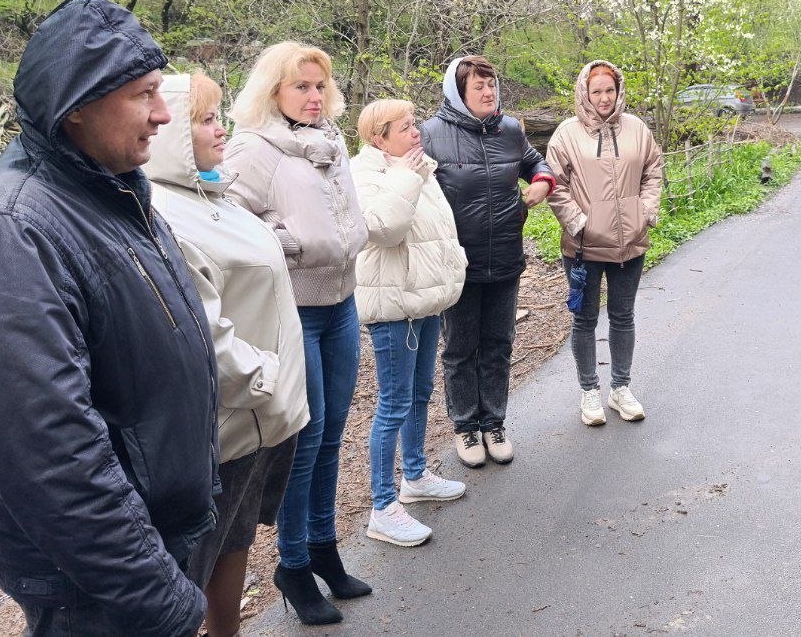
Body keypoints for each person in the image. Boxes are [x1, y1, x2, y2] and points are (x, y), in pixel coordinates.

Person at [0, 0, 217, 636]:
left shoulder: (109, 189)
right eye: (144, 94)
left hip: (152, 543)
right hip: (97, 588)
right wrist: (157, 597)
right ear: (76, 106)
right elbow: (49, 451)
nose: (164, 113)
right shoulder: (9, 228)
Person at [145, 72, 310, 637]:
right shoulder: (163, 214)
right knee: (193, 560)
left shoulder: (214, 196)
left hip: (261, 417)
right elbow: (199, 332)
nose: (222, 130)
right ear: (169, 133)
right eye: (206, 119)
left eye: (219, 116)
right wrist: (267, 378)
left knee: (235, 539)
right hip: (226, 421)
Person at [225, 42, 369, 626]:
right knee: (304, 442)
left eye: (319, 86)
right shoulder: (253, 147)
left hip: (343, 303)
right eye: (300, 87)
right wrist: (286, 240)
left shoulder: (331, 139)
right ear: (273, 90)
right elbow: (227, 218)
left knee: (332, 434)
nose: (314, 96)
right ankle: (292, 564)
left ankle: (323, 548)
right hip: (296, 311)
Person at [421, 55, 555, 467]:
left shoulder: (510, 129)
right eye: (478, 86)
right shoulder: (430, 134)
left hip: (506, 257)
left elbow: (535, 161)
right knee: (460, 348)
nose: (488, 91)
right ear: (457, 92)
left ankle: (493, 423)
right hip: (458, 263)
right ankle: (465, 427)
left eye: (491, 84)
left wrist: (542, 181)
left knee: (498, 344)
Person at [351, 99, 469, 547]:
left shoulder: (418, 168)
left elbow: (438, 232)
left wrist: (453, 266)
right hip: (392, 305)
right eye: (405, 127)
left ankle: (415, 476)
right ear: (379, 137)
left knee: (420, 392)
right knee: (393, 403)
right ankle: (382, 507)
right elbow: (385, 228)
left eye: (414, 124)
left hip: (423, 299)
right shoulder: (364, 174)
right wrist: (408, 176)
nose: (416, 132)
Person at [546, 60, 663, 426]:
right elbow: (555, 184)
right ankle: (589, 390)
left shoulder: (637, 129)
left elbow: (653, 170)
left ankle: (620, 388)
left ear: (618, 91)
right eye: (596, 91)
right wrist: (578, 222)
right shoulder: (567, 134)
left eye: (609, 90)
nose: (603, 98)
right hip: (584, 247)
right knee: (584, 320)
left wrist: (645, 212)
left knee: (623, 316)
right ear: (585, 92)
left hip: (630, 243)